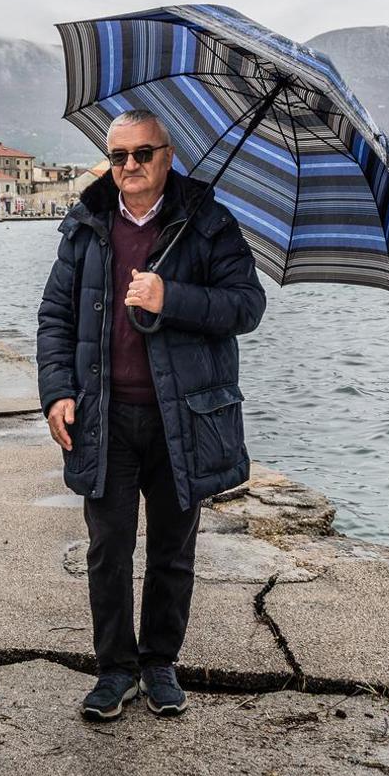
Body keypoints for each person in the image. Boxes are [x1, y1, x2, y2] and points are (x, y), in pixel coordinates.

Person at [36, 108, 266, 721]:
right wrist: (57, 392)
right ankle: (115, 669)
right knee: (107, 550)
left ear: (168, 156)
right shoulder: (85, 225)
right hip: (104, 417)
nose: (130, 166)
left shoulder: (209, 223)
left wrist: (171, 298)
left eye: (143, 154)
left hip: (181, 419)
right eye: (119, 156)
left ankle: (160, 662)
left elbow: (247, 306)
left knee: (172, 550)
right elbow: (55, 317)